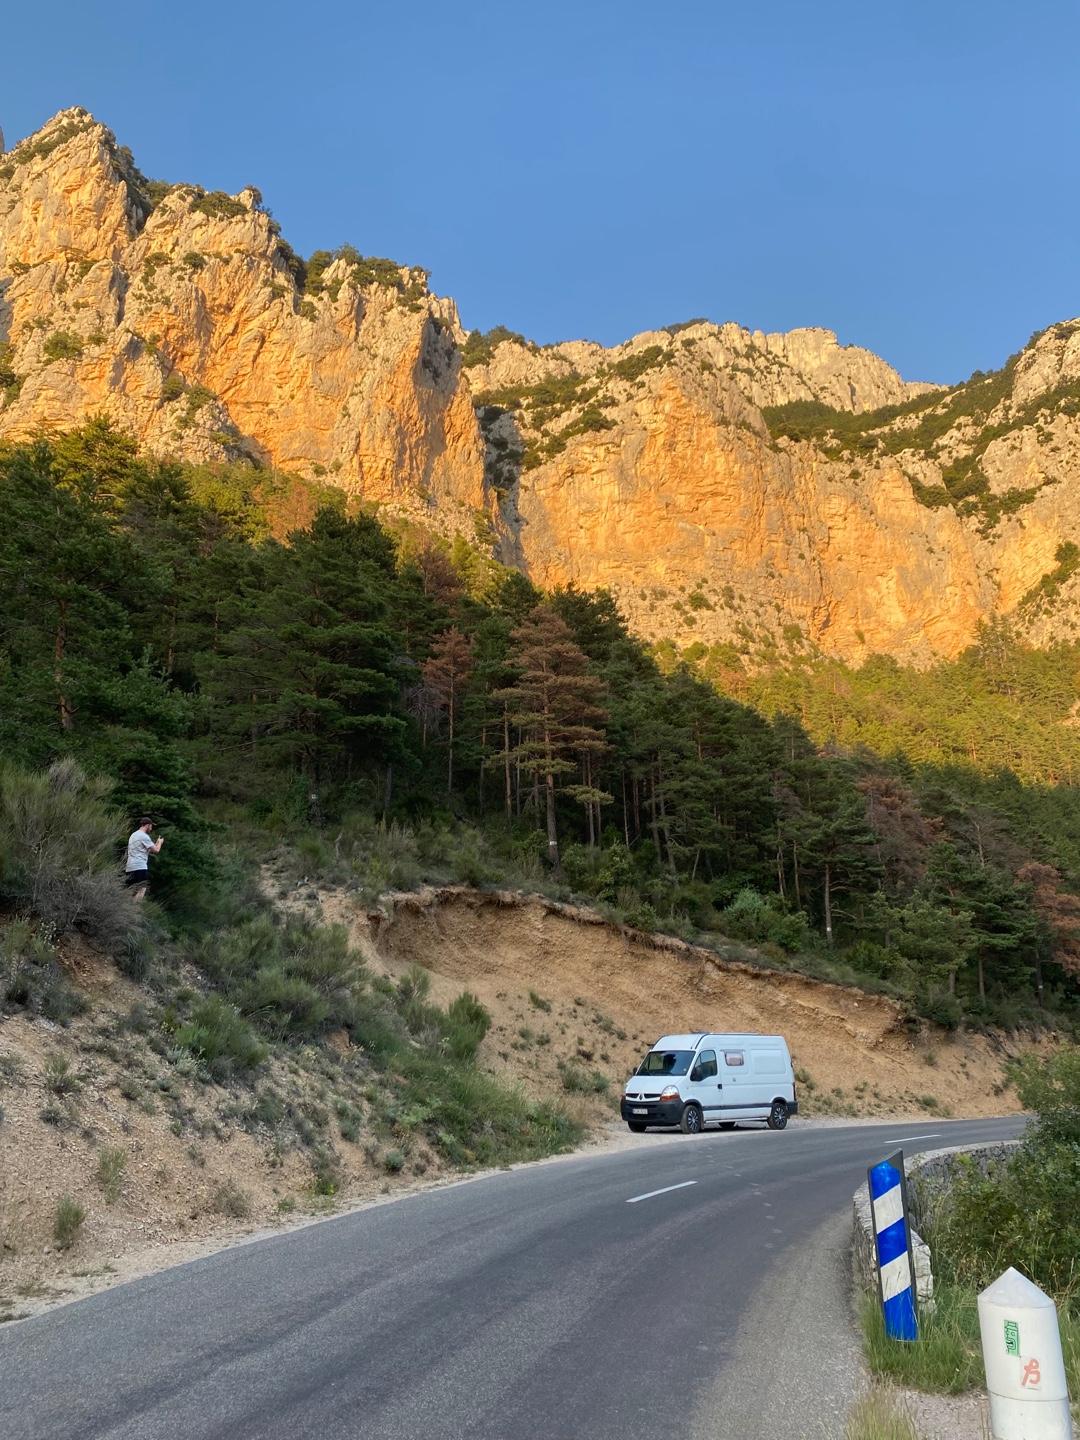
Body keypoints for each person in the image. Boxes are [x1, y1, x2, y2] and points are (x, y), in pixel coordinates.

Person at [125, 816, 163, 902]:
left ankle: (126, 909)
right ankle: (134, 910)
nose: (151, 828)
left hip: (130, 867)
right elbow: (156, 850)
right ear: (148, 825)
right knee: (141, 889)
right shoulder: (144, 836)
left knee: (131, 891)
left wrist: (156, 842)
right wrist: (160, 842)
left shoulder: (133, 835)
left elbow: (146, 850)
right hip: (140, 867)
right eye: (151, 826)